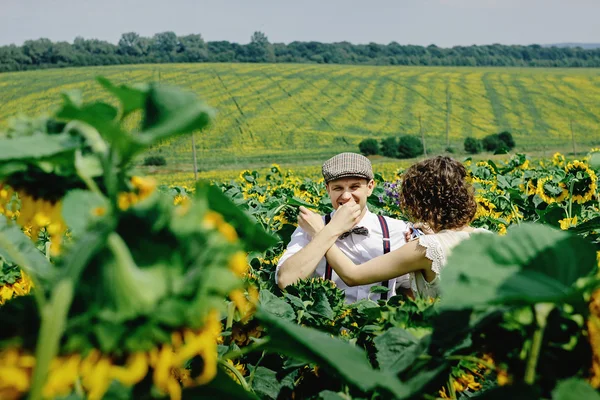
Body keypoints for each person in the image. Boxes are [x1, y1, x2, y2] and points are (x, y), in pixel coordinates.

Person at [298, 156, 490, 299]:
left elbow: (352, 275)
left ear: (418, 203)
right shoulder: (486, 236)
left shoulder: (424, 248)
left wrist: (321, 233)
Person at [276, 152, 412, 303]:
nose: (346, 196)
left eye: (354, 187)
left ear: (370, 187)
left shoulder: (396, 230)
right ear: (328, 189)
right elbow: (285, 281)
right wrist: (331, 230)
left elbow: (410, 287)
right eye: (338, 188)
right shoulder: (309, 227)